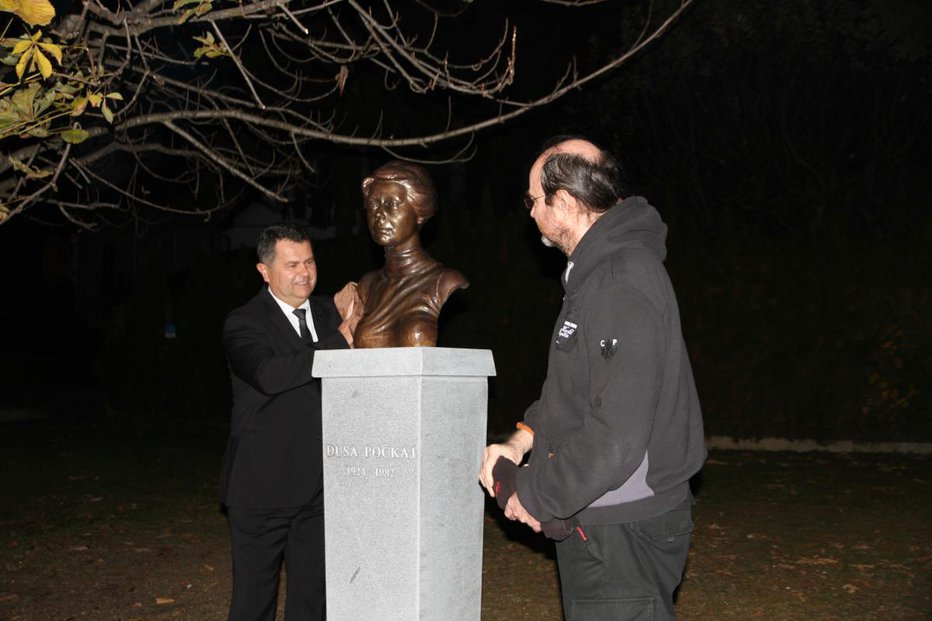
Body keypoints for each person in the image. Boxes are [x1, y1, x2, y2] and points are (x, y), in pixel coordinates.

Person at [479, 137, 706, 621]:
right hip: (603, 516)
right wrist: (522, 441)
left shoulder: (619, 280)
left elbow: (617, 436)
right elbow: (575, 390)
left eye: (534, 200)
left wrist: (535, 495)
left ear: (565, 202)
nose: (531, 213)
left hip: (623, 525)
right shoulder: (595, 273)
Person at [220, 223, 361, 621]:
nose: (305, 272)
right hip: (261, 488)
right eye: (292, 264)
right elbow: (269, 374)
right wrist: (340, 339)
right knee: (253, 602)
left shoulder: (328, 310)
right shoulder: (243, 322)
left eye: (310, 261)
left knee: (311, 601)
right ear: (264, 271)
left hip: (319, 488)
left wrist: (356, 292)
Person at [353, 160, 468, 348]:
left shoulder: (443, 282)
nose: (379, 214)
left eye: (391, 204)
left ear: (420, 211)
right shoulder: (369, 285)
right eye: (374, 204)